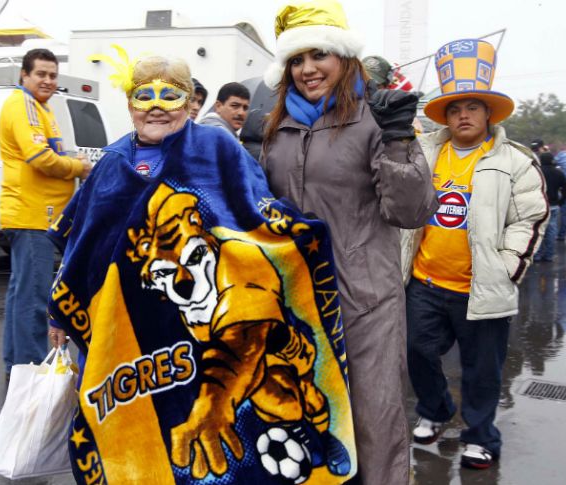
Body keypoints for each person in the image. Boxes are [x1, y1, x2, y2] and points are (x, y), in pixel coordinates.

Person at [47, 48, 358, 484]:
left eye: (170, 94)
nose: (156, 106)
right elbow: (80, 244)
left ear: (190, 100)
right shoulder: (111, 164)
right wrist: (59, 312)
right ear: (130, 103)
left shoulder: (216, 150)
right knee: (133, 423)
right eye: (144, 95)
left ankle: (316, 435)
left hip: (224, 322)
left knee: (277, 395)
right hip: (133, 332)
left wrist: (299, 235)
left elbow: (256, 215)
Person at [259, 2, 439, 484]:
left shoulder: (375, 119)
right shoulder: (277, 128)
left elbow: (411, 212)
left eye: (319, 55)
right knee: (304, 418)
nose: (307, 69)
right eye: (296, 60)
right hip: (295, 302)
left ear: (344, 57)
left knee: (372, 423)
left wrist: (398, 139)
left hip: (364, 301)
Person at [400, 38, 549, 470]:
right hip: (425, 282)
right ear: (445, 116)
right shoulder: (425, 152)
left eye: (472, 107)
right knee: (417, 352)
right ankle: (435, 409)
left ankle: (481, 437)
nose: (463, 115)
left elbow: (530, 219)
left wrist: (505, 269)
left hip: (480, 287)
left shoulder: (515, 161)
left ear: (488, 114)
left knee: (482, 370)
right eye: (455, 109)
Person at [0, 48, 92, 380]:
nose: (48, 80)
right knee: (34, 298)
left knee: (22, 294)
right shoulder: (23, 105)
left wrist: (72, 160)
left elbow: (52, 152)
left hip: (35, 215)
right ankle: (31, 370)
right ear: (24, 75)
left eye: (53, 75)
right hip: (33, 215)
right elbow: (41, 158)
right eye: (41, 73)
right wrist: (79, 167)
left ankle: (17, 366)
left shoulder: (41, 107)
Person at [534, 151, 566, 262]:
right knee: (551, 230)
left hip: (538, 204)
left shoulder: (536, 172)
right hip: (553, 205)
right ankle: (549, 255)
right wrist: (561, 201)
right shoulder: (558, 172)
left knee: (538, 229)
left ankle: (537, 254)